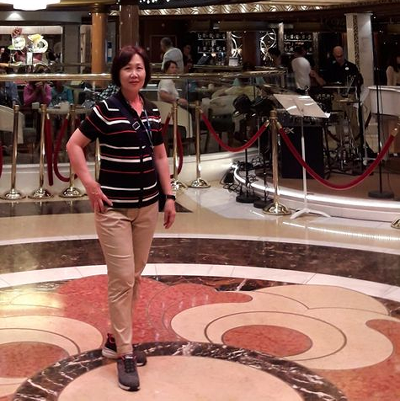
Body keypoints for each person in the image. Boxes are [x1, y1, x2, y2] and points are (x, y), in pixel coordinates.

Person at [66, 45, 176, 392]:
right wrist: (90, 184)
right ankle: (125, 353)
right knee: (122, 277)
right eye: (128, 68)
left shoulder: (152, 110)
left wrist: (169, 197)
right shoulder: (106, 109)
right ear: (118, 73)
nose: (134, 73)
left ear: (146, 73)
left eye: (139, 68)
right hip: (113, 208)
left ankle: (116, 338)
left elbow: (160, 155)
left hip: (147, 207)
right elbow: (74, 145)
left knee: (135, 275)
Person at [323, 46, 363, 144]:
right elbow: (327, 82)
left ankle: (358, 144)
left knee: (353, 121)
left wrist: (355, 90)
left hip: (349, 96)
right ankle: (340, 143)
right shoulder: (331, 68)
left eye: (341, 56)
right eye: (337, 56)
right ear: (334, 56)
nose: (339, 58)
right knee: (338, 121)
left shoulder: (352, 66)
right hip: (337, 96)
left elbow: (359, 80)